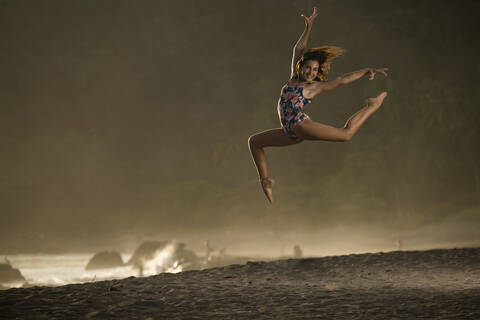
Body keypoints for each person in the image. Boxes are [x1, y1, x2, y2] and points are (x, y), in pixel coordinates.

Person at [248, 7, 388, 204]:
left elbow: (342, 80)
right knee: (254, 141)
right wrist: (309, 26)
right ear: (301, 66)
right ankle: (265, 181)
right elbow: (298, 50)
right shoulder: (293, 78)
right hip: (288, 131)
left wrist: (366, 70)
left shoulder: (312, 88)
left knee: (346, 134)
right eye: (308, 68)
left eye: (315, 70)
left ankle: (373, 105)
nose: (311, 72)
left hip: (299, 125)